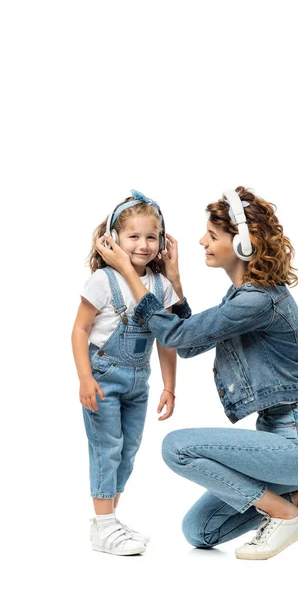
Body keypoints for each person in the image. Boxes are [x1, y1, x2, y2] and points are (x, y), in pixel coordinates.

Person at [95, 186, 298, 561]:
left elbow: (175, 336)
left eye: (213, 236)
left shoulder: (259, 300)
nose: (202, 241)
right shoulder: (241, 297)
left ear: (244, 245)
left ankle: (285, 513)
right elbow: (187, 345)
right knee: (200, 531)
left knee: (176, 447)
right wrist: (177, 284)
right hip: (278, 441)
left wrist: (127, 273)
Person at [71, 190, 180, 556]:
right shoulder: (104, 281)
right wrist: (85, 378)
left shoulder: (161, 286)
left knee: (128, 451)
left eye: (152, 236)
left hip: (139, 383)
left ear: (162, 240)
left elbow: (167, 340)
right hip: (103, 379)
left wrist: (170, 385)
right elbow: (80, 330)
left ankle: (108, 521)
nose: (144, 244)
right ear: (114, 238)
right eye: (134, 236)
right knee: (107, 448)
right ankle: (104, 526)